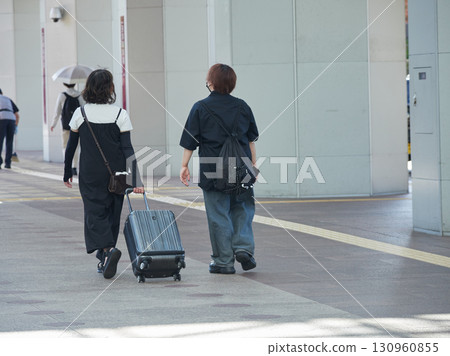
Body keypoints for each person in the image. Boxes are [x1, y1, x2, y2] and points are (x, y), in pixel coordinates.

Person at [63, 69, 144, 279]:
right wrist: (136, 178)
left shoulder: (80, 114)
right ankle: (106, 253)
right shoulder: (120, 114)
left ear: (89, 88)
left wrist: (66, 172)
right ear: (110, 89)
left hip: (90, 172)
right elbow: (128, 148)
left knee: (94, 212)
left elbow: (71, 146)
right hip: (117, 173)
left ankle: (107, 252)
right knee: (112, 212)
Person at [179, 63, 259, 274]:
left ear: (210, 82)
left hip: (212, 168)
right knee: (242, 207)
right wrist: (253, 165)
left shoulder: (200, 107)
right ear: (232, 84)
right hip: (241, 166)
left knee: (218, 213)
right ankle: (243, 248)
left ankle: (223, 261)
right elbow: (251, 140)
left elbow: (190, 141)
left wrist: (184, 165)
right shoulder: (243, 107)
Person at [51, 83, 83, 175]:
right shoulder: (80, 95)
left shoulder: (62, 95)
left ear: (66, 85)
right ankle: (74, 167)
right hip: (77, 125)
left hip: (66, 125)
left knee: (65, 146)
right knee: (76, 146)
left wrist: (53, 124)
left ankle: (67, 166)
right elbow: (83, 110)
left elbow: (57, 111)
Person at [0, 88, 20, 169]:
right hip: (11, 119)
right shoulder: (8, 99)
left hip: (1, 118)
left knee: (0, 141)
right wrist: (16, 126)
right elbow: (17, 115)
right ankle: (8, 163)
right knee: (9, 142)